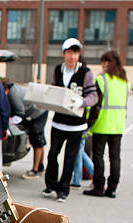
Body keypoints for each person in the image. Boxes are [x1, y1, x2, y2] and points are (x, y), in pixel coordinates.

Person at [43, 38, 98, 202]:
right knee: (52, 154)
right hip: (58, 122)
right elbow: (55, 90)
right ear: (64, 53)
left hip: (76, 125)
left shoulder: (85, 72)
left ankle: (63, 189)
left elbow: (93, 96)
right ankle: (50, 184)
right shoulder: (58, 69)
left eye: (75, 53)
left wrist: (82, 102)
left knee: (70, 158)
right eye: (69, 52)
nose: (72, 56)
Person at [83, 50, 129, 198]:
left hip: (102, 124)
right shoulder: (124, 82)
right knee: (115, 157)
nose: (101, 65)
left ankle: (99, 186)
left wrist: (88, 122)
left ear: (107, 62)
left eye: (102, 62)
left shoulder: (101, 80)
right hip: (118, 125)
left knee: (98, 156)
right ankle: (113, 188)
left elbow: (95, 105)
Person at [1, 78, 49, 179]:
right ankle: (40, 167)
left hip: (37, 113)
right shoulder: (12, 90)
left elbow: (20, 114)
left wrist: (9, 121)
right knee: (39, 141)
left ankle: (34, 171)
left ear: (5, 90)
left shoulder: (13, 95)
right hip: (40, 111)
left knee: (37, 141)